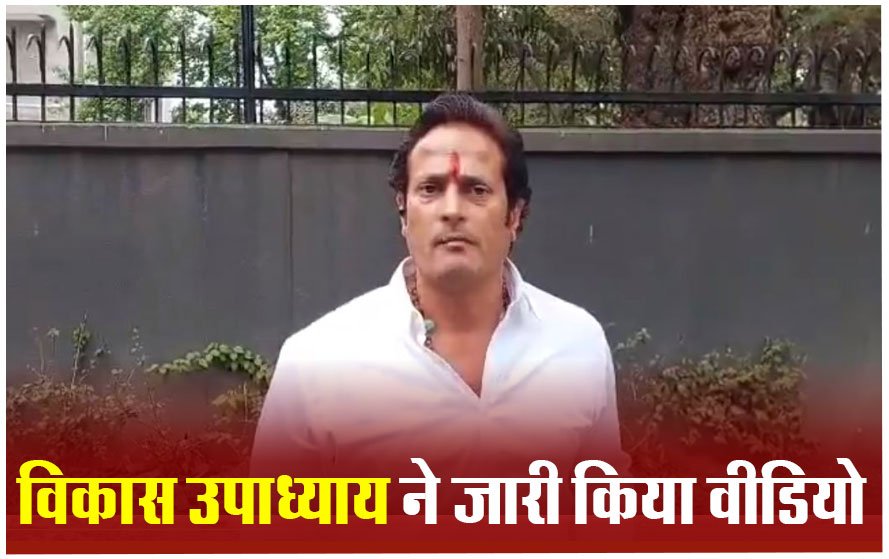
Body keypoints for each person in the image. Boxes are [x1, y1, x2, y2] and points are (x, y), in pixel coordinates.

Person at [251, 93, 628, 479]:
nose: (452, 211)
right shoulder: (317, 362)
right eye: (430, 189)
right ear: (403, 212)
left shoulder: (578, 342)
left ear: (515, 215)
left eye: (476, 190)